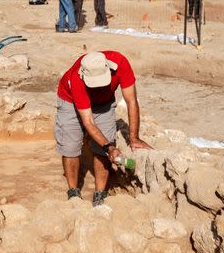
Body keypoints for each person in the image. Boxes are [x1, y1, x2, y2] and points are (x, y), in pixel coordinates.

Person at [55, 51, 153, 206]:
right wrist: (109, 147)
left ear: (109, 68)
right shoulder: (76, 78)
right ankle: (73, 192)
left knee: (101, 150)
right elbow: (88, 122)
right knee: (70, 146)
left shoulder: (120, 63)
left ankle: (99, 195)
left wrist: (134, 138)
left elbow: (131, 101)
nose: (98, 86)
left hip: (104, 103)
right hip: (70, 101)